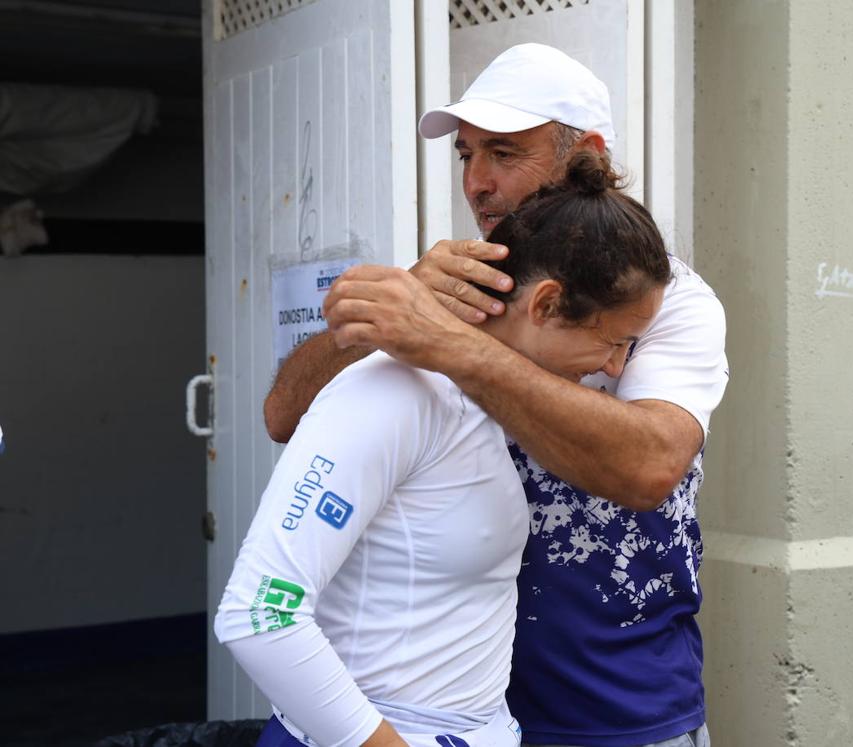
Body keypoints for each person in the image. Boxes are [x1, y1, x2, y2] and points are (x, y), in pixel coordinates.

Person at [264, 44, 728, 747]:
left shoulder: (668, 299)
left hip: (621, 708)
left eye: (504, 153)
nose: (476, 182)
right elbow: (282, 417)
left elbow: (649, 465)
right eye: (466, 155)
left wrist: (449, 344)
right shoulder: (445, 286)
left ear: (586, 155)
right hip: (444, 715)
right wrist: (389, 312)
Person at [214, 153, 673, 747]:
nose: (614, 367)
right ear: (544, 304)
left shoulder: (485, 402)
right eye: (614, 341)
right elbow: (259, 615)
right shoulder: (394, 391)